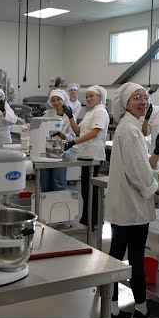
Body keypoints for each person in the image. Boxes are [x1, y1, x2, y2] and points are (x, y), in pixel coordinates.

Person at [106, 83, 159, 318]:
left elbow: (139, 163)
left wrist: (155, 152)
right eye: (137, 98)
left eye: (145, 98)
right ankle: (137, 309)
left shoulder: (131, 127)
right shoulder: (129, 130)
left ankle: (120, 307)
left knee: (117, 257)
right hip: (131, 206)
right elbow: (137, 171)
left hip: (126, 204)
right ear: (126, 103)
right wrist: (156, 189)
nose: (143, 102)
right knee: (130, 258)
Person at [64, 85, 109, 229]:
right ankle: (87, 219)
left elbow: (94, 133)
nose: (88, 99)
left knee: (91, 190)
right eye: (87, 96)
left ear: (99, 97)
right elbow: (78, 131)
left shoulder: (100, 112)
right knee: (85, 189)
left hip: (94, 155)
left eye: (92, 96)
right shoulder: (90, 113)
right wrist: (70, 117)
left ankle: (94, 220)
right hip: (86, 154)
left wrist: (73, 142)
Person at [39, 89, 80, 192]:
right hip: (46, 152)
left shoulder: (70, 116)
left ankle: (59, 205)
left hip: (61, 152)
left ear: (63, 100)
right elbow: (40, 129)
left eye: (58, 99)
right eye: (53, 100)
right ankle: (45, 205)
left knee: (58, 182)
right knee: (44, 182)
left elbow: (73, 137)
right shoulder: (47, 114)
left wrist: (61, 134)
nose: (56, 102)